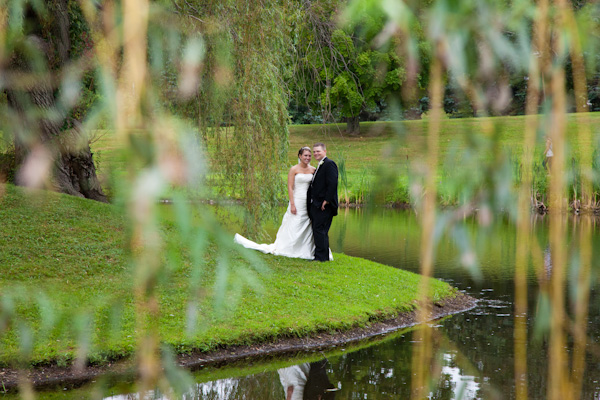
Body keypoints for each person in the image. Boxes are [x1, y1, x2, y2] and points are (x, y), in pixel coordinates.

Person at [234, 146, 329, 260]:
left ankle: (306, 248)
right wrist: (292, 204)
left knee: (308, 224)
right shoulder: (294, 169)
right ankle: (290, 248)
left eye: (309, 155)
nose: (308, 158)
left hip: (309, 202)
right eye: (305, 155)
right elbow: (290, 187)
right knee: (295, 222)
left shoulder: (313, 169)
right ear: (299, 156)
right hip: (297, 200)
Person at [308, 143, 338, 262]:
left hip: (325, 205)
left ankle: (320, 257)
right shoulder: (320, 165)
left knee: (320, 229)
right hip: (317, 203)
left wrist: (326, 200)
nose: (316, 153)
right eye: (314, 151)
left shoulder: (329, 164)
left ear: (325, 151)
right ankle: (322, 256)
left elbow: (332, 184)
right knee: (320, 230)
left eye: (318, 151)